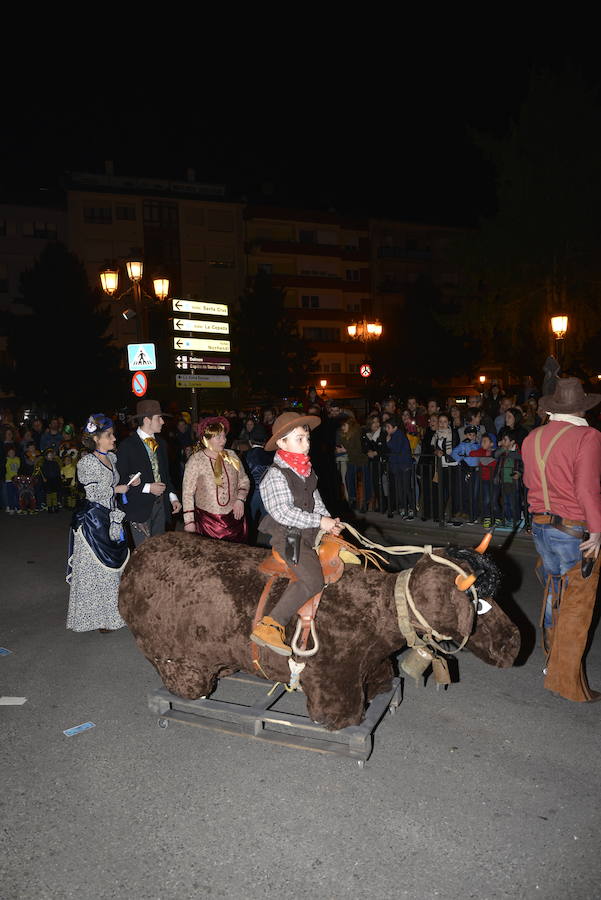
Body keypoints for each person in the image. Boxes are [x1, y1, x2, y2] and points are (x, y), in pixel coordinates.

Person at [522, 377, 601, 703]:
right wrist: (597, 529)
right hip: (573, 531)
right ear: (582, 406)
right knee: (576, 607)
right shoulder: (588, 437)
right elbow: (586, 490)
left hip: (541, 527)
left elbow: (529, 482)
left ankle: (551, 664)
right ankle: (566, 682)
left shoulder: (532, 437)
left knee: (555, 594)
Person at [251, 411, 343, 656]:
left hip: (308, 530)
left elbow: (315, 499)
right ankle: (271, 625)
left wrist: (329, 521)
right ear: (282, 443)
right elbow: (283, 513)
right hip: (288, 536)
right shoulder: (275, 475)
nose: (306, 444)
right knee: (312, 579)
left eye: (307, 438)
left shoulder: (305, 470)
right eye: (300, 439)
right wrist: (319, 521)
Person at [66, 414, 139, 633]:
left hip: (111, 514)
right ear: (97, 439)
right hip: (94, 520)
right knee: (98, 570)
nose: (114, 438)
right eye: (109, 435)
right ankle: (98, 618)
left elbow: (110, 487)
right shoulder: (87, 462)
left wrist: (126, 484)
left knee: (115, 566)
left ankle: (114, 614)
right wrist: (118, 489)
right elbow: (92, 492)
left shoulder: (112, 458)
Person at [116, 399, 182, 547]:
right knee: (144, 555)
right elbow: (120, 480)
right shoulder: (127, 446)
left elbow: (165, 475)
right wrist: (148, 487)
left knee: (158, 552)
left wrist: (173, 498)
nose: (163, 422)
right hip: (139, 509)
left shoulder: (162, 443)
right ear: (147, 420)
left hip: (161, 506)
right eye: (159, 418)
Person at [182, 416, 249, 542]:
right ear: (206, 439)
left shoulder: (232, 456)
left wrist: (240, 499)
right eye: (218, 437)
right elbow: (187, 493)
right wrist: (189, 521)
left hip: (235, 519)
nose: (223, 440)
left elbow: (244, 480)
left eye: (224, 436)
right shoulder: (196, 460)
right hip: (208, 522)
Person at [243, 423, 274, 543]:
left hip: (252, 492)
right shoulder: (271, 455)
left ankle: (249, 542)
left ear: (250, 441)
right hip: (267, 492)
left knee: (249, 519)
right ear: (265, 442)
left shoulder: (247, 455)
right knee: (270, 520)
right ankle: (275, 546)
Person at [41, 448, 62, 513]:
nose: (51, 456)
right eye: (49, 455)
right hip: (48, 480)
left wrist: (59, 478)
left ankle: (55, 506)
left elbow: (58, 471)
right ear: (46, 456)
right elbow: (43, 472)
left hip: (55, 480)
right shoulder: (44, 463)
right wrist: (44, 478)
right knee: (48, 494)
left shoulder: (55, 463)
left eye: (51, 455)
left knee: (54, 494)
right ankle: (49, 507)